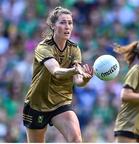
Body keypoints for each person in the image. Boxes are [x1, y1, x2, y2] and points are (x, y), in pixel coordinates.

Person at [22, 6, 93, 143]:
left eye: (70, 23)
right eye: (63, 22)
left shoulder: (74, 49)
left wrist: (85, 79)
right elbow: (56, 72)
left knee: (76, 140)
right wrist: (74, 71)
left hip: (60, 103)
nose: (67, 26)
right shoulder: (43, 47)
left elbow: (77, 81)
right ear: (53, 26)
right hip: (37, 105)